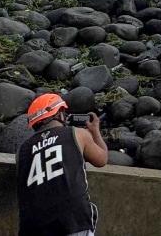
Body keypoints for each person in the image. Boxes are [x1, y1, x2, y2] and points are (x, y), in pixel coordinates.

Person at [16, 93, 108, 236]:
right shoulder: (76, 133)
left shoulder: (23, 149)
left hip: (33, 227)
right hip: (72, 220)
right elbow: (101, 160)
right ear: (59, 114)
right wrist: (95, 131)